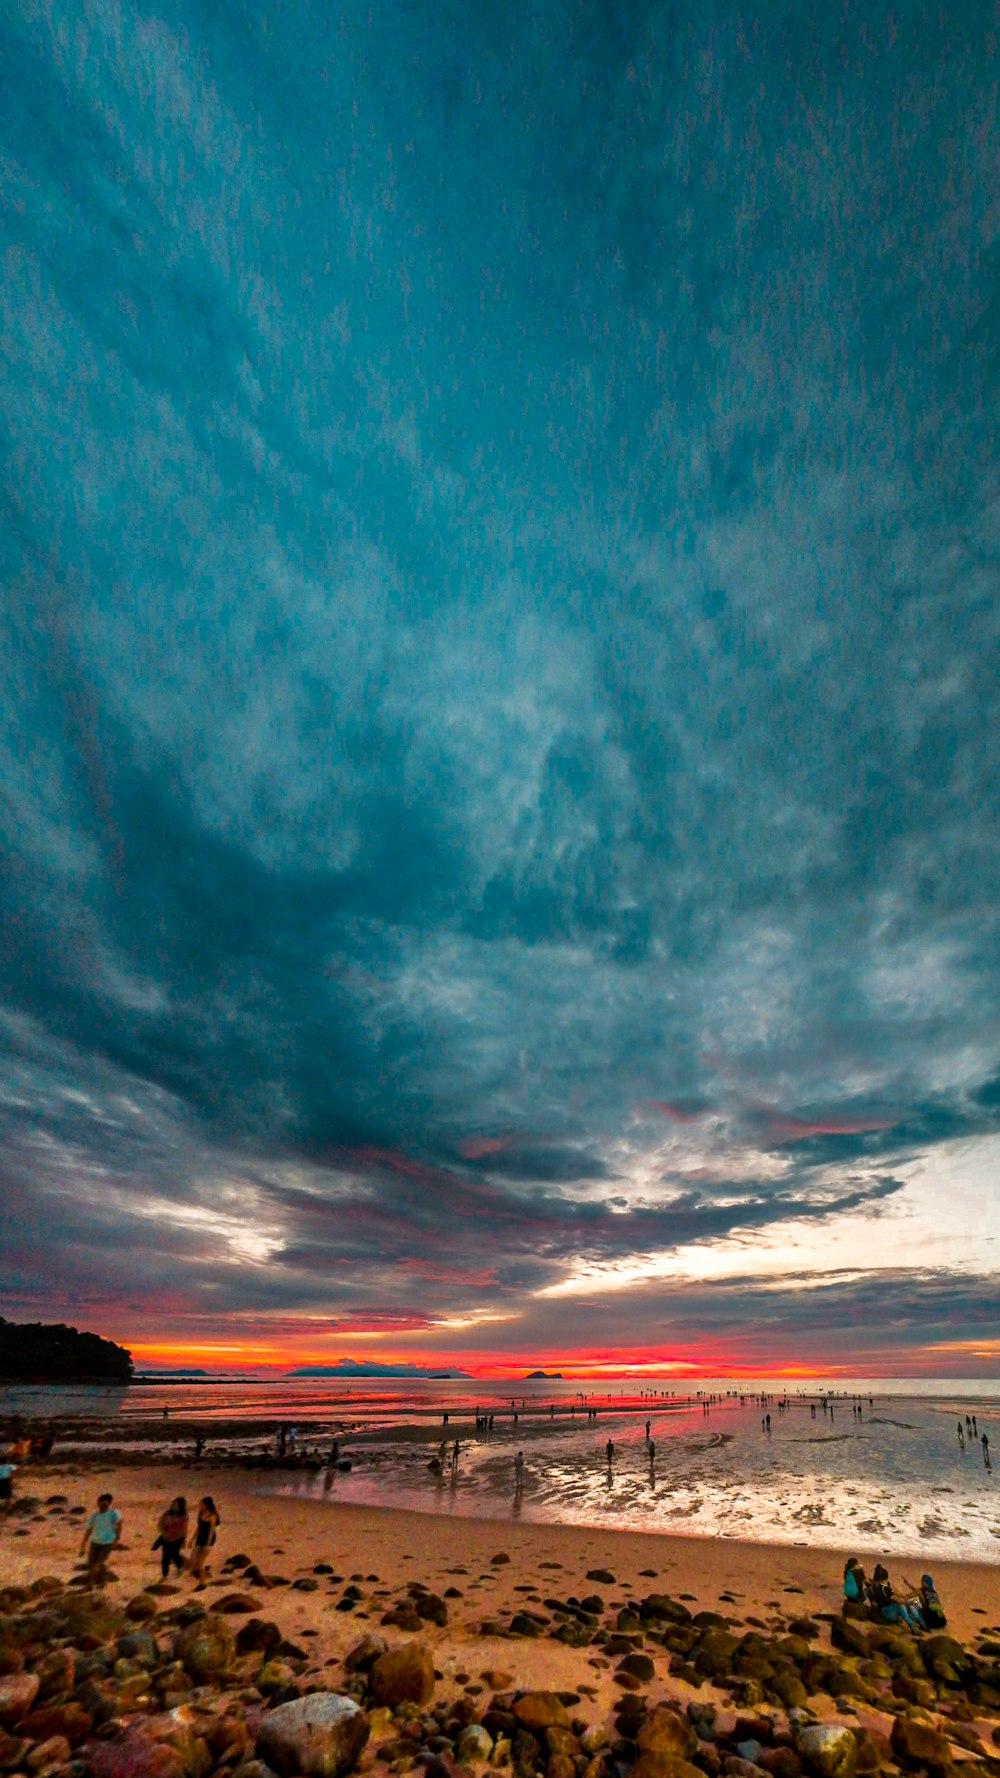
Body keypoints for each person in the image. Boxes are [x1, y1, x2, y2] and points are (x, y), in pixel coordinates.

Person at [80, 1492, 122, 1586]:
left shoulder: (114, 1514)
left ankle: (91, 1584)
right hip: (95, 1542)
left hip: (107, 1543)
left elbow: (119, 1526)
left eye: (104, 1504)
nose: (101, 1506)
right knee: (92, 1563)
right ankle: (101, 1580)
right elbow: (89, 1529)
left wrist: (116, 1540)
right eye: (100, 1503)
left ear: (109, 1503)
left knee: (98, 1563)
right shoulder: (95, 1516)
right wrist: (83, 1544)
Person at [867, 1563, 920, 1630]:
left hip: (881, 1609)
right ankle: (912, 1625)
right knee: (901, 1606)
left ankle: (913, 1621)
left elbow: (895, 1593)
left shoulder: (875, 1586)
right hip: (886, 1612)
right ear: (885, 1578)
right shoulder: (884, 1589)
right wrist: (911, 1602)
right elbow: (897, 1600)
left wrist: (904, 1597)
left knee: (903, 1604)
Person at [188, 1497, 220, 1588]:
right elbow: (199, 1528)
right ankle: (204, 1573)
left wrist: (207, 1544)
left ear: (206, 1505)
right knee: (193, 1559)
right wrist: (192, 1540)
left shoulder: (212, 1516)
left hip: (208, 1539)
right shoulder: (201, 1514)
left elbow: (211, 1531)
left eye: (201, 1504)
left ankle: (202, 1583)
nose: (199, 1506)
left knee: (200, 1562)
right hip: (200, 1538)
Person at [154, 1496, 188, 1578]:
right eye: (173, 1505)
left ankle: (180, 1568)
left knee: (175, 1555)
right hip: (166, 1538)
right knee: (165, 1557)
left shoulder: (183, 1516)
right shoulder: (167, 1514)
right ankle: (165, 1575)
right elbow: (160, 1524)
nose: (174, 1507)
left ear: (181, 1507)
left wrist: (184, 1540)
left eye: (177, 1505)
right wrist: (162, 1531)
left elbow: (185, 1528)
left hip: (178, 1538)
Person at [0, 1451, 15, 1518]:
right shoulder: (11, 1466)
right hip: (6, 1481)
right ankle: (6, 1512)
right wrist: (11, 1479)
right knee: (8, 1496)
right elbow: (13, 1473)